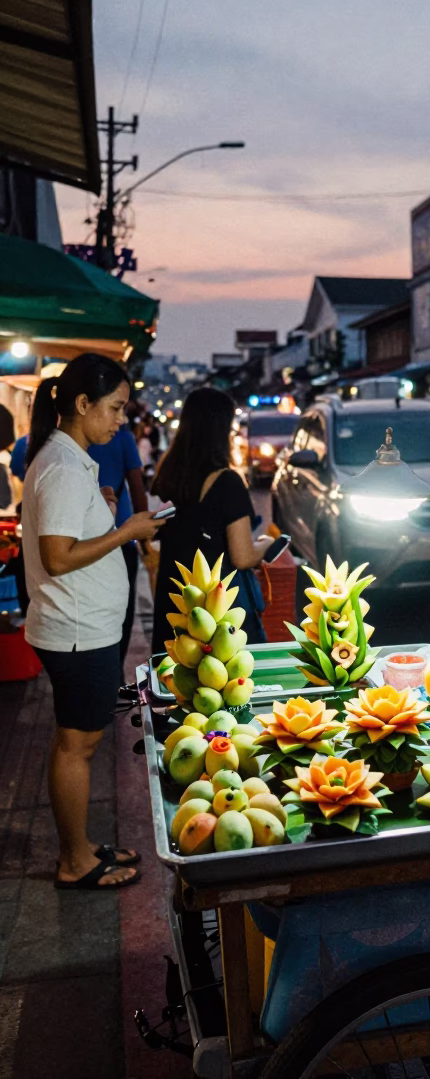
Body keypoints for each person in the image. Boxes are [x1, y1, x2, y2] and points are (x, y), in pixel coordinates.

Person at [22, 354, 166, 890]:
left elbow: (68, 536)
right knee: (75, 745)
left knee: (77, 743)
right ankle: (74, 861)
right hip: (76, 631)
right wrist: (126, 529)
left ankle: (80, 845)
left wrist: (102, 509)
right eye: (114, 408)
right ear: (82, 404)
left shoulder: (69, 460)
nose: (121, 420)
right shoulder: (61, 466)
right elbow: (58, 557)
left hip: (84, 626)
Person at [150, 387, 273, 654]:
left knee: (175, 683)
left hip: (175, 602)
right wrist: (266, 545)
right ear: (220, 431)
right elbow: (242, 557)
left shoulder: (169, 474)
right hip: (213, 615)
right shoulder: (227, 482)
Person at [88, 424, 148, 664]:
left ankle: (101, 665)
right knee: (123, 608)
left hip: (86, 538)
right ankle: (115, 666)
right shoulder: (124, 438)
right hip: (121, 535)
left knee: (94, 608)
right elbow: (137, 486)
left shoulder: (72, 438)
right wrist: (144, 535)